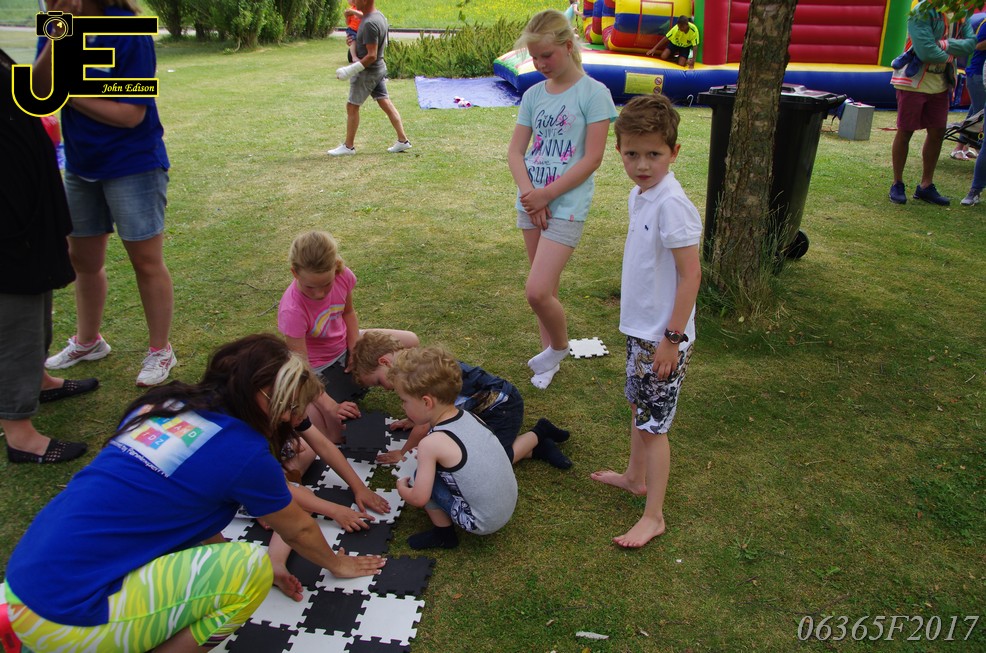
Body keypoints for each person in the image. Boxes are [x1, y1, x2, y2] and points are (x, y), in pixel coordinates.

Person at [2, 334, 385, 652]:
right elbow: (298, 529)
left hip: (19, 588)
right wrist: (336, 565)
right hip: (67, 619)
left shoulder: (163, 404)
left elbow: (191, 506)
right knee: (251, 570)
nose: (293, 419)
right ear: (263, 397)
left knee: (221, 562)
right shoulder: (243, 450)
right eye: (290, 408)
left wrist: (217, 564)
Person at [32, 0, 177, 388]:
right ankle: (88, 341)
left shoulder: (128, 31)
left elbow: (130, 115)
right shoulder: (57, 25)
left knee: (146, 261)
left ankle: (160, 350)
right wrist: (58, 35)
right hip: (81, 165)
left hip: (133, 164)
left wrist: (67, 92)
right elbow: (39, 91)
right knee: (83, 260)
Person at [590, 94, 701, 549]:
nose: (641, 165)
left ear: (674, 153)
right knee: (638, 407)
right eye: (631, 153)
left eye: (654, 154)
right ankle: (634, 477)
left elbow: (691, 275)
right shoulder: (641, 195)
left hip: (662, 338)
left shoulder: (672, 204)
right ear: (618, 150)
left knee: (655, 427)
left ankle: (653, 516)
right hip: (643, 332)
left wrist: (671, 339)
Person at [507, 9, 617, 389]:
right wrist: (530, 196)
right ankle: (549, 359)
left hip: (566, 206)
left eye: (546, 56)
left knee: (536, 291)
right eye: (534, 58)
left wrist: (547, 195)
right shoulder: (534, 95)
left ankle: (558, 347)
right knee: (546, 290)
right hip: (531, 202)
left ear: (568, 47)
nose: (540, 64)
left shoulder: (594, 94)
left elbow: (592, 158)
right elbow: (515, 152)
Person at [0, 47, 94, 465]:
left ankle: (38, 380)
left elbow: (32, 92)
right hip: (6, 217)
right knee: (13, 314)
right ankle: (19, 432)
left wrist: (61, 35)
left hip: (24, 202)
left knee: (35, 291)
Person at [351, 331, 573, 469]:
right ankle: (537, 448)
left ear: (385, 362)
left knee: (495, 460)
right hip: (479, 408)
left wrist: (402, 452)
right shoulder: (415, 363)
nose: (384, 388)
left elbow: (424, 425)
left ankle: (538, 434)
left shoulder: (414, 375)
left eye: (378, 382)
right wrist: (411, 419)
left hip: (502, 405)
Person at [278, 231, 418, 442]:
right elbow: (301, 367)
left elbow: (348, 313)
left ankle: (413, 400)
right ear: (294, 273)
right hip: (317, 368)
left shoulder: (343, 276)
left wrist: (355, 347)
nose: (319, 294)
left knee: (411, 341)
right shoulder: (292, 310)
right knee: (317, 426)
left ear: (336, 268)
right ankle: (340, 395)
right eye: (310, 287)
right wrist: (330, 406)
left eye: (326, 284)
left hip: (346, 343)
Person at [391, 346, 518, 550]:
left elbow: (418, 497)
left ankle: (444, 535)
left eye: (404, 401)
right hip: (506, 507)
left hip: (481, 522)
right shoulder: (470, 415)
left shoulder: (430, 444)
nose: (402, 407)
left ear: (426, 402)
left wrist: (401, 488)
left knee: (418, 475)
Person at [266, 415, 391, 601]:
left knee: (306, 447)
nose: (301, 415)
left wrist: (359, 487)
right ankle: (274, 562)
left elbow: (323, 444)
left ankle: (280, 484)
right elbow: (282, 491)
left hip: (265, 466)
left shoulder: (287, 413)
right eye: (294, 410)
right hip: (237, 492)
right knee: (302, 499)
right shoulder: (249, 439)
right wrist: (336, 511)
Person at [889, 2, 975, 205]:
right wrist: (952, 52)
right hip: (913, 82)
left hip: (941, 82)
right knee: (905, 131)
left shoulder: (960, 11)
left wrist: (942, 45)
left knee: (937, 132)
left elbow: (971, 44)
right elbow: (925, 51)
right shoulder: (922, 10)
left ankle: (926, 185)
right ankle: (897, 183)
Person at [328, 0, 411, 155]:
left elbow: (372, 55)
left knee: (352, 106)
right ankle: (403, 140)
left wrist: (350, 70)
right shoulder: (378, 16)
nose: (353, 1)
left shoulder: (369, 23)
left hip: (368, 72)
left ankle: (348, 147)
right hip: (378, 68)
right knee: (385, 102)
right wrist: (355, 41)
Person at [950, 12, 986, 160]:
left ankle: (962, 148)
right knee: (979, 116)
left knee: (974, 115)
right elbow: (977, 45)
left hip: (980, 75)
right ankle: (969, 148)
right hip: (978, 74)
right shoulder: (985, 23)